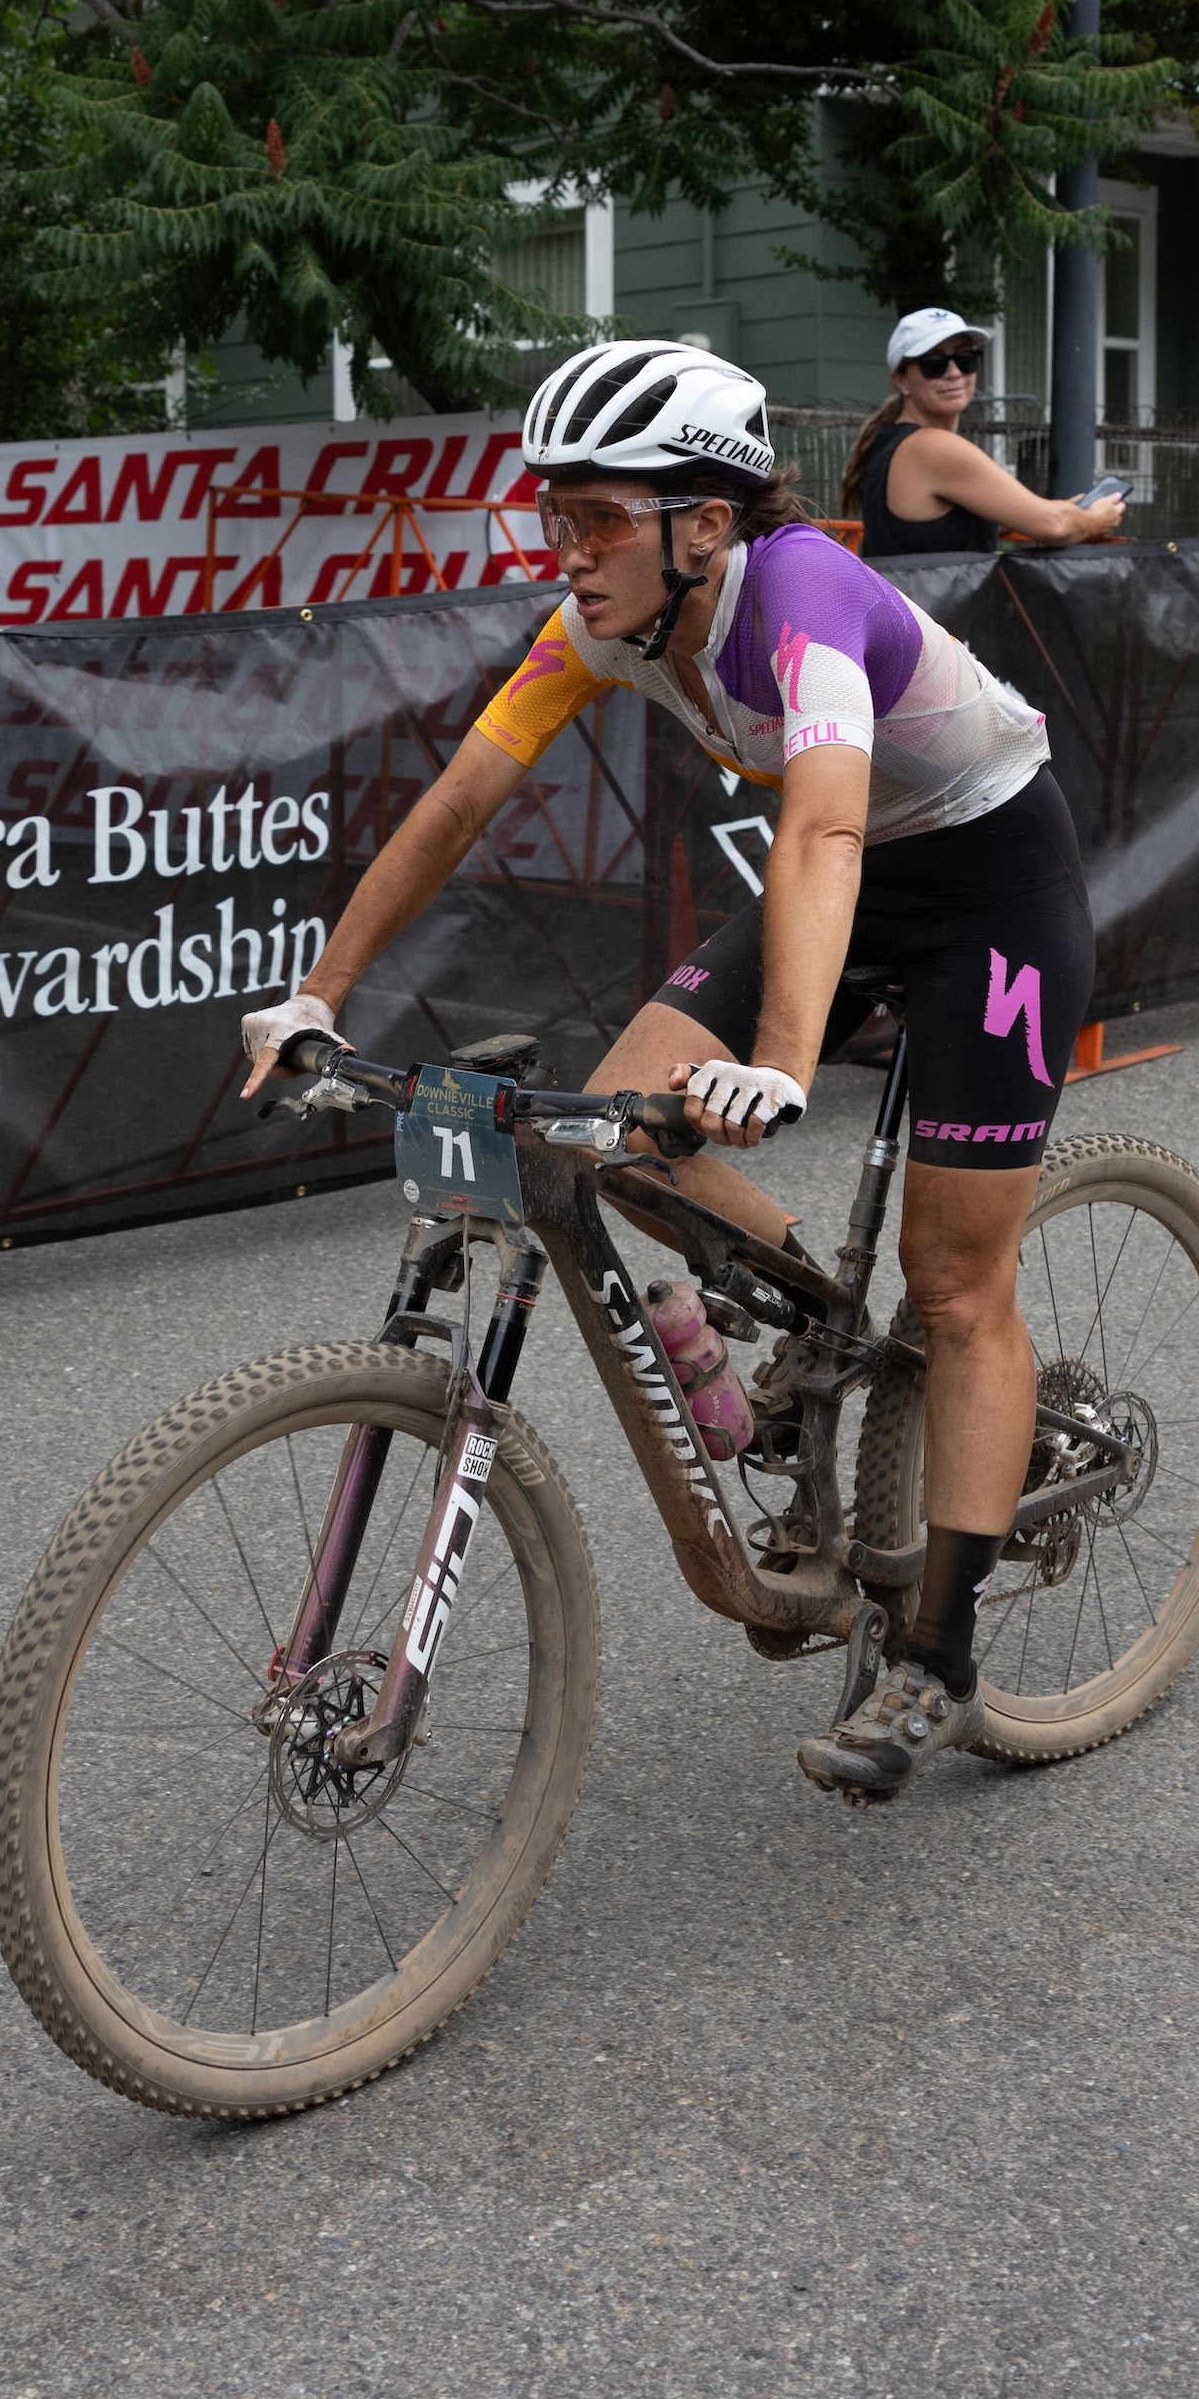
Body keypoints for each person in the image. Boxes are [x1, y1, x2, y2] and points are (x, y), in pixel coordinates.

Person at [236, 338, 1123, 1802]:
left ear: (701, 526)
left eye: (595, 519)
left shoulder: (807, 602)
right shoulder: (604, 627)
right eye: (553, 517)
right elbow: (463, 797)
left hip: (989, 884)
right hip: (852, 874)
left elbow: (827, 832)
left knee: (959, 1282)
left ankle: (939, 1662)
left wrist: (783, 1061)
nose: (566, 552)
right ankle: (829, 1331)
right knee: (617, 1135)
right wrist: (316, 991)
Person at [840, 308, 1124, 558]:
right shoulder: (932, 447)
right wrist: (1096, 518)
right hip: (938, 615)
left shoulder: (893, 440)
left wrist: (1059, 511)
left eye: (965, 359)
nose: (954, 373)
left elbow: (937, 530)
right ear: (901, 380)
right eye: (934, 364)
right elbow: (1055, 526)